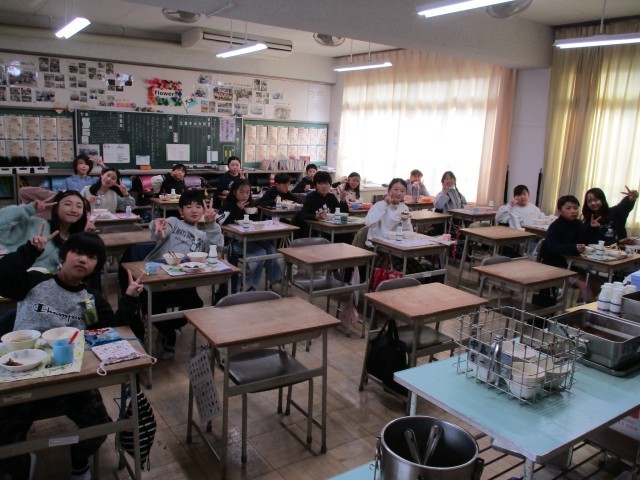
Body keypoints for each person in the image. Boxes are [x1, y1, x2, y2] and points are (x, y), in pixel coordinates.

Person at [0, 231, 143, 480]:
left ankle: (79, 462)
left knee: (100, 426)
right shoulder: (33, 282)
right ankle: (22, 466)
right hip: (22, 379)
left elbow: (110, 333)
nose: (83, 260)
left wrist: (129, 300)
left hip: (70, 380)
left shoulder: (89, 300)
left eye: (91, 257)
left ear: (96, 266)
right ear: (64, 255)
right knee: (3, 438)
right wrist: (29, 252)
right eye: (78, 253)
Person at [145, 190, 223, 359]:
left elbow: (215, 248)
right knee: (151, 306)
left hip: (184, 279)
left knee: (196, 304)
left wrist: (212, 225)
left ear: (204, 210)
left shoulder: (203, 235)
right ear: (180, 210)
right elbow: (161, 229)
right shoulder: (174, 222)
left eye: (198, 207)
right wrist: (156, 224)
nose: (194, 210)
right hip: (159, 277)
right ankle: (170, 334)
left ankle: (170, 328)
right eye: (188, 207)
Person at [0, 190, 90, 272]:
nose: (74, 210)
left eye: (79, 206)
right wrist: (28, 209)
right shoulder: (36, 225)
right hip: (17, 278)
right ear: (56, 208)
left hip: (46, 282)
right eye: (68, 204)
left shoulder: (74, 239)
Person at [219, 179, 283, 292]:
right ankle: (250, 285)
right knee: (261, 252)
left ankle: (275, 279)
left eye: (247, 192)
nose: (245, 195)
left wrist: (255, 214)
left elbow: (254, 224)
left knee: (270, 248)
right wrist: (237, 209)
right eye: (241, 192)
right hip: (233, 243)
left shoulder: (250, 204)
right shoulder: (227, 204)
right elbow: (221, 222)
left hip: (250, 239)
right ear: (234, 192)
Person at [539, 195, 599, 303]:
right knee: (584, 284)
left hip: (572, 265)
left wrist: (592, 229)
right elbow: (553, 247)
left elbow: (585, 241)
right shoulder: (555, 226)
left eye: (575, 208)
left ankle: (582, 306)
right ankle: (590, 312)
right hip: (555, 266)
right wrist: (573, 248)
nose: (573, 211)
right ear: (559, 211)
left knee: (597, 284)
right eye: (568, 208)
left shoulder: (578, 224)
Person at [292, 170, 348, 238]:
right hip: (314, 230)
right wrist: (315, 217)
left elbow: (343, 213)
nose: (324, 186)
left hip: (329, 228)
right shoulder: (311, 197)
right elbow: (302, 214)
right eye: (320, 183)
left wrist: (343, 200)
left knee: (347, 235)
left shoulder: (331, 197)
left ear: (330, 185)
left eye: (326, 183)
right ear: (315, 185)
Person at [364, 178, 412, 247]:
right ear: (389, 190)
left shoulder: (404, 208)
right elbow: (369, 223)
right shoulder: (379, 205)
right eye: (396, 189)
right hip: (377, 246)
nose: (398, 193)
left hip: (395, 245)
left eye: (402, 191)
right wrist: (385, 203)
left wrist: (405, 221)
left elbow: (408, 232)